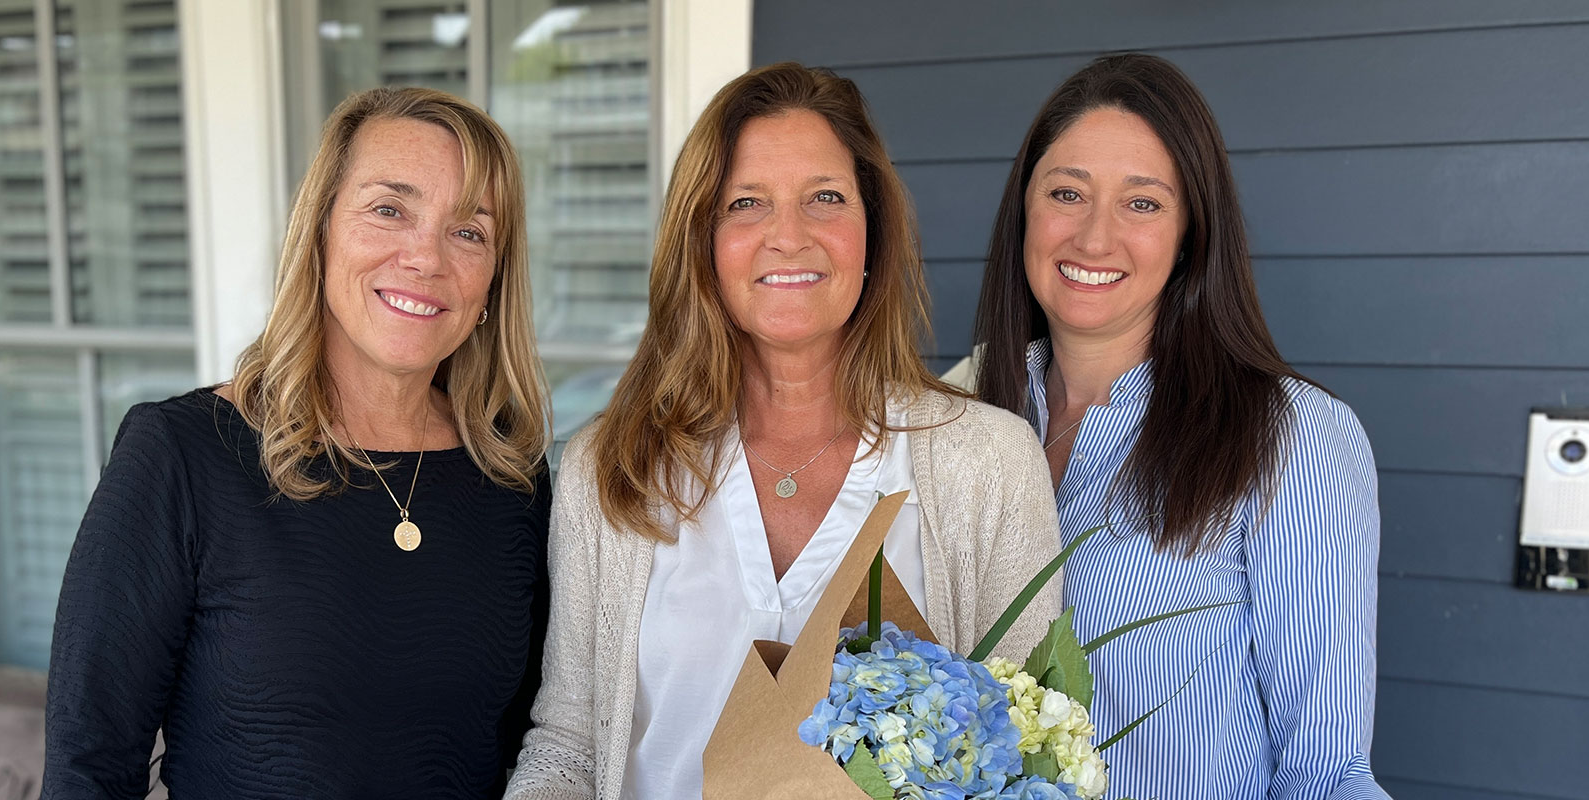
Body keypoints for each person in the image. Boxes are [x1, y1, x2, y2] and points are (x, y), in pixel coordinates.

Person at [502, 62, 1063, 800]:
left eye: (825, 198)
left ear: (874, 232)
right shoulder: (612, 468)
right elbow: (569, 747)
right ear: (702, 238)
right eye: (746, 203)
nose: (787, 237)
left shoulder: (987, 462)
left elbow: (1026, 750)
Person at [43, 87, 551, 799]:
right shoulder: (183, 455)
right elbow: (87, 772)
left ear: (493, 277)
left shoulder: (511, 478)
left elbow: (536, 744)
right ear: (318, 232)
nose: (425, 257)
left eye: (469, 231)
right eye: (389, 210)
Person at [969, 53, 1388, 798]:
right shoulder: (956, 414)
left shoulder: (1290, 437)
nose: (1094, 239)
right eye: (1067, 193)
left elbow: (1328, 773)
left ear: (1192, 233)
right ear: (1024, 210)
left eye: (1142, 203)